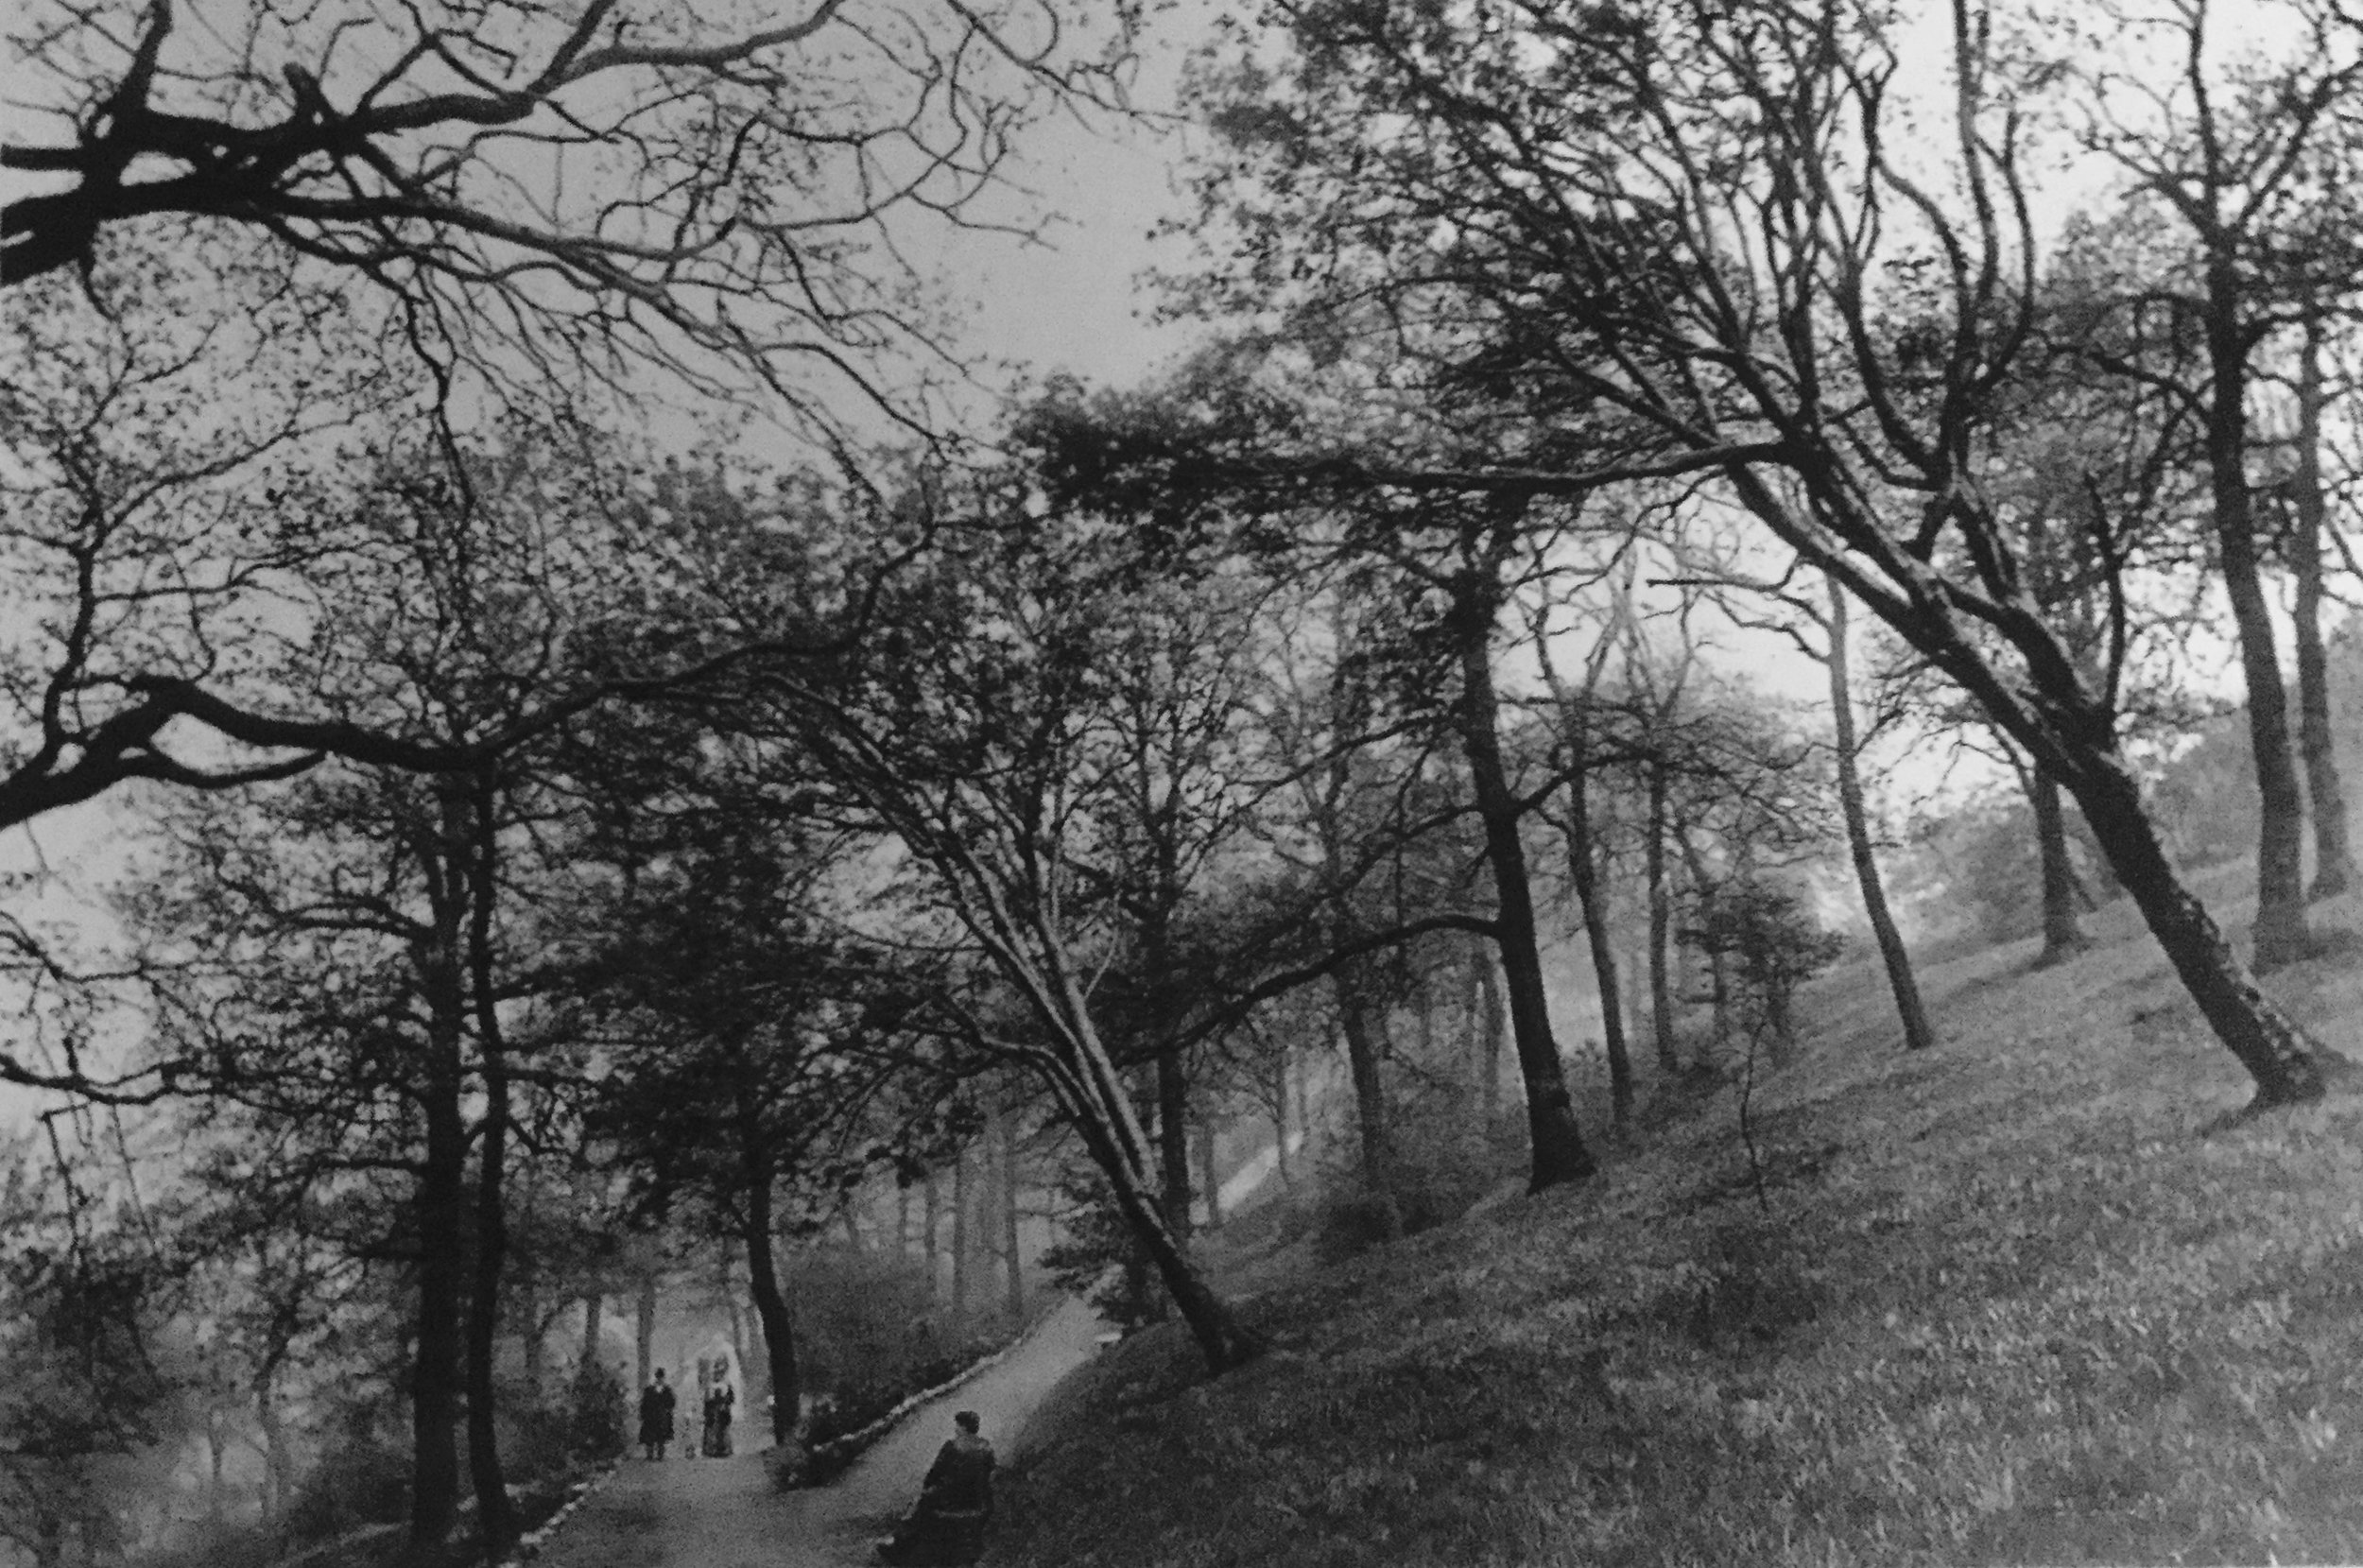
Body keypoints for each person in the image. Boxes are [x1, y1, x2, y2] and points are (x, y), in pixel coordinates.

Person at [874, 1410, 996, 1566]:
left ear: (964, 1427)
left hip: (951, 1498)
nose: (956, 1429)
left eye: (958, 1425)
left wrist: (928, 1488)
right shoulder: (986, 1447)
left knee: (921, 1502)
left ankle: (899, 1545)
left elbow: (935, 1472)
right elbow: (990, 1472)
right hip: (977, 1499)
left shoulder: (952, 1446)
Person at [638, 1370, 677, 1461]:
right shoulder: (649, 1390)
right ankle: (650, 1455)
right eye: (658, 1377)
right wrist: (643, 1414)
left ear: (663, 1378)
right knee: (649, 1437)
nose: (660, 1379)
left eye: (661, 1378)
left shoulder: (667, 1390)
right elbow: (644, 1403)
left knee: (661, 1437)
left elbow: (672, 1403)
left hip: (662, 1416)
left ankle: (660, 1455)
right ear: (656, 1378)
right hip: (651, 1416)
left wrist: (666, 1410)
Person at [702, 1378, 735, 1457]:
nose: (717, 1394)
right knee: (716, 1435)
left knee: (721, 1435)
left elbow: (730, 1400)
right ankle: (714, 1450)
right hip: (715, 1422)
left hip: (720, 1422)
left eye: (718, 1392)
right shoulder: (713, 1402)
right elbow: (707, 1410)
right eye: (717, 1392)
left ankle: (719, 1450)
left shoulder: (719, 1401)